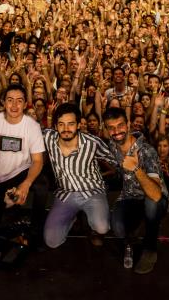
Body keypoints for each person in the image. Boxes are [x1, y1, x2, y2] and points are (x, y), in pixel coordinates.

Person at [103, 107, 169, 274]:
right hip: (129, 196)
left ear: (129, 124)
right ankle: (139, 222)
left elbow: (155, 194)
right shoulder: (112, 145)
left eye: (120, 126)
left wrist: (136, 169)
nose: (116, 131)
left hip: (155, 198)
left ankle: (150, 249)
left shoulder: (147, 151)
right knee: (117, 230)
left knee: (151, 205)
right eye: (111, 127)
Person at [0, 84, 48, 243]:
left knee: (42, 184)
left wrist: (26, 183)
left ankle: (36, 231)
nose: (15, 105)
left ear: (25, 104)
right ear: (3, 102)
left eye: (19, 101)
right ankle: (10, 210)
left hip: (21, 171)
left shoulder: (32, 126)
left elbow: (38, 161)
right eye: (10, 100)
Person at [42, 103, 116, 249]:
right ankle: (73, 218)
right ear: (55, 126)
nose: (66, 129)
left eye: (70, 124)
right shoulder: (48, 138)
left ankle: (92, 224)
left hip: (93, 191)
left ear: (78, 125)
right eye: (61, 124)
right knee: (51, 241)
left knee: (102, 227)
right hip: (66, 193)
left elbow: (115, 159)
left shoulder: (92, 143)